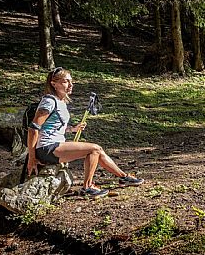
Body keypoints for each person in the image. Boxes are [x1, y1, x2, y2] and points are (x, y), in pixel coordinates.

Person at [27, 67, 144, 198]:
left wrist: (72, 129)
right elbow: (33, 129)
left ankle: (124, 177)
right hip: (46, 148)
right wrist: (32, 158)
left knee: (98, 151)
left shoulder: (61, 102)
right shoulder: (49, 101)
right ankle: (87, 187)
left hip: (54, 145)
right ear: (54, 84)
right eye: (66, 81)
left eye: (71, 81)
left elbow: (52, 126)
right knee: (94, 149)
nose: (71, 85)